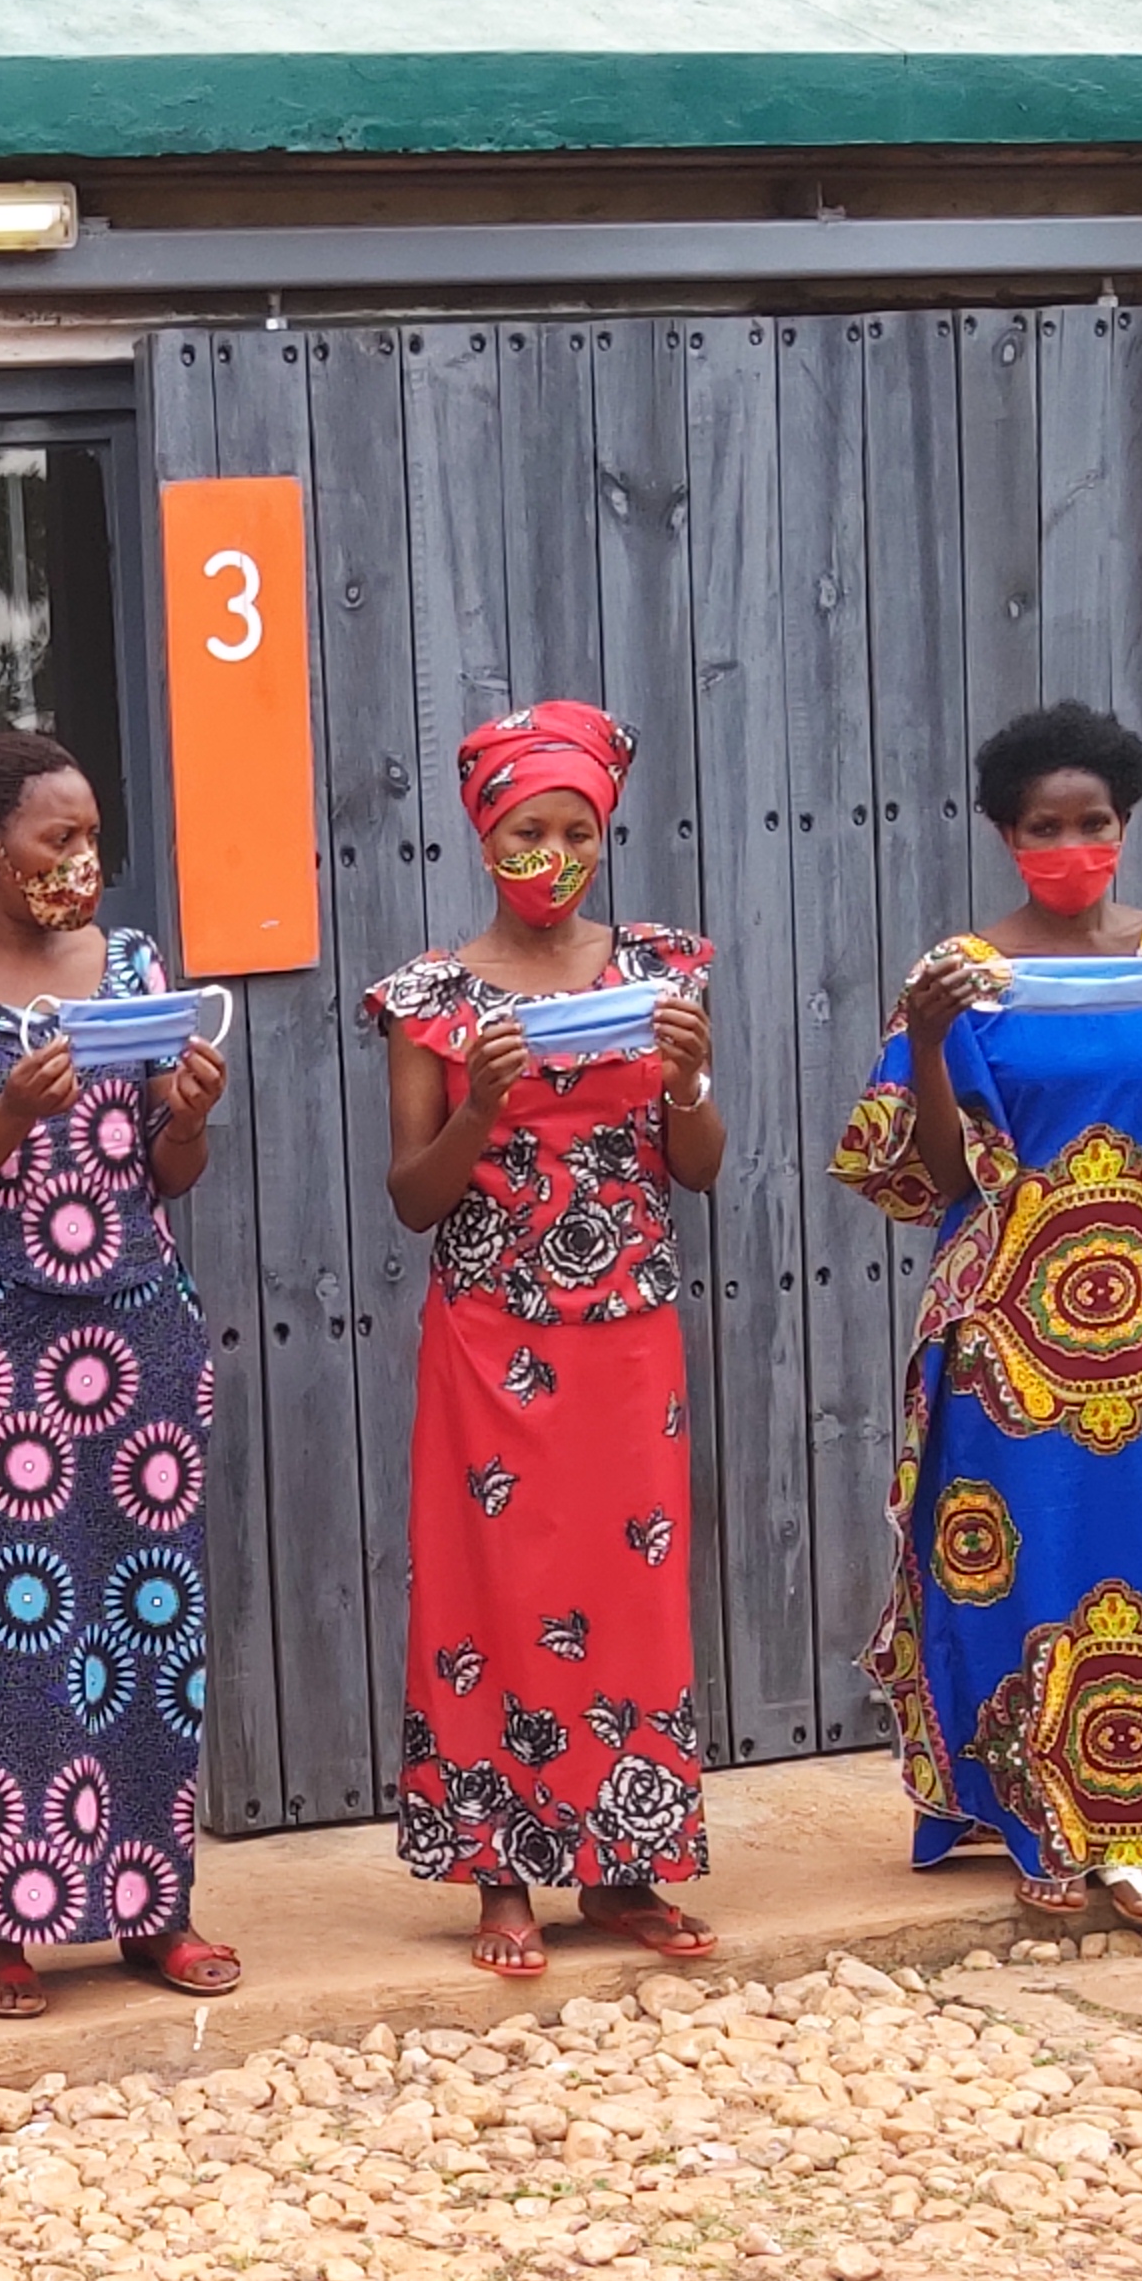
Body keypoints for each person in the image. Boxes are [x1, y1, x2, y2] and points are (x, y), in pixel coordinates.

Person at [827, 699, 1142, 1933]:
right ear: (1007, 834)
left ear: (1126, 824)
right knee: (1013, 1569)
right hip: (1009, 1330)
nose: (1073, 843)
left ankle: (1140, 1833)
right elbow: (921, 1178)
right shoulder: (968, 979)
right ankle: (1033, 1819)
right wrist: (923, 1039)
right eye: (1044, 826)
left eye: (1095, 822)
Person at [0, 726, 239, 2018]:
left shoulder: (129, 966)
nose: (83, 858)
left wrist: (185, 1115)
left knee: (150, 1626)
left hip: (140, 1338)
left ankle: (154, 1909)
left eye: (90, 835)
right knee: (7, 1636)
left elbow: (162, 1176)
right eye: (58, 837)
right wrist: (14, 1111)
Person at [370, 697, 726, 1977]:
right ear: (484, 835)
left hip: (630, 1337)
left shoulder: (665, 974)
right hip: (487, 1337)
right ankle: (501, 1875)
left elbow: (697, 1166)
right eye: (527, 829)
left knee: (630, 1595)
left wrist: (686, 1078)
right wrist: (482, 1106)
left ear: (604, 831)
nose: (551, 854)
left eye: (575, 829)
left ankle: (626, 1868)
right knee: (493, 1594)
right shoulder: (430, 999)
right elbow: (414, 1197)